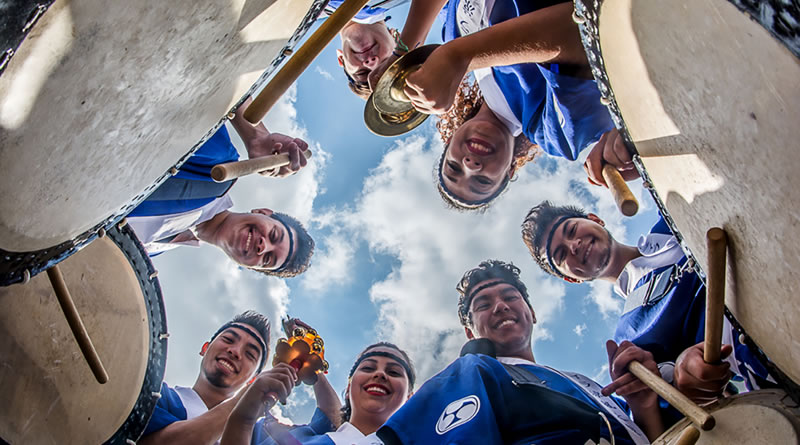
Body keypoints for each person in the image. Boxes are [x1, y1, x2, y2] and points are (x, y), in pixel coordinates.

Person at [376, 260, 663, 444]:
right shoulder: (472, 374)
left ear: (532, 313)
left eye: (510, 297)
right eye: (484, 305)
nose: (500, 306)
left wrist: (643, 404)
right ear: (470, 332)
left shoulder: (587, 385)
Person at [385, 0, 635, 210]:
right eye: (482, 182)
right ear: (510, 170)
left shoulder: (450, 36)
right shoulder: (553, 133)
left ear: (449, 141)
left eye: (453, 167)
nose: (470, 166)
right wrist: (458, 56)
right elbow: (587, 29)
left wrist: (401, 53)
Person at [521, 201, 775, 398]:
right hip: (768, 358)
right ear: (571, 279)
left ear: (595, 219)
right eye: (561, 254)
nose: (573, 245)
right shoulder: (629, 339)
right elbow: (679, 394)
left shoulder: (672, 216)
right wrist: (684, 376)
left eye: (571, 230)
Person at [128, 96, 314, 278]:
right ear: (263, 212)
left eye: (267, 259)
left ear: (250, 268)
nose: (263, 246)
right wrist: (256, 136)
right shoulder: (216, 171)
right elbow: (204, 89)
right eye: (273, 234)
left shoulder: (153, 251)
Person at [140, 312, 339, 445]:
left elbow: (333, 424)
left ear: (253, 378)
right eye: (228, 339)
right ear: (205, 348)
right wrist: (242, 403)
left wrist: (310, 361)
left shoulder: (258, 433)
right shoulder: (154, 393)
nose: (235, 351)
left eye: (250, 354)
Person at [221, 342, 416, 445]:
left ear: (410, 398)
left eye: (394, 372)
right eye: (368, 368)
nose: (379, 374)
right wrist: (242, 419)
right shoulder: (285, 437)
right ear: (348, 389)